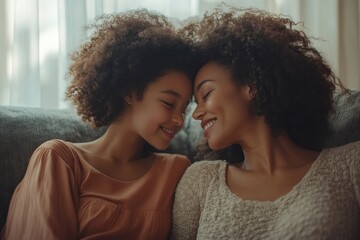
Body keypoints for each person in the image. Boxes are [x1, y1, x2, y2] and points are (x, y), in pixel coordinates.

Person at [1, 9, 198, 239]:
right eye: (168, 103)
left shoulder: (176, 171)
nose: (179, 120)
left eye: (184, 108)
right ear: (130, 91)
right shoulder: (59, 160)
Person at [171, 7, 360, 239]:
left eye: (206, 94)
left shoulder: (350, 165)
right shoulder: (200, 182)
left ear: (253, 86)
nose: (196, 114)